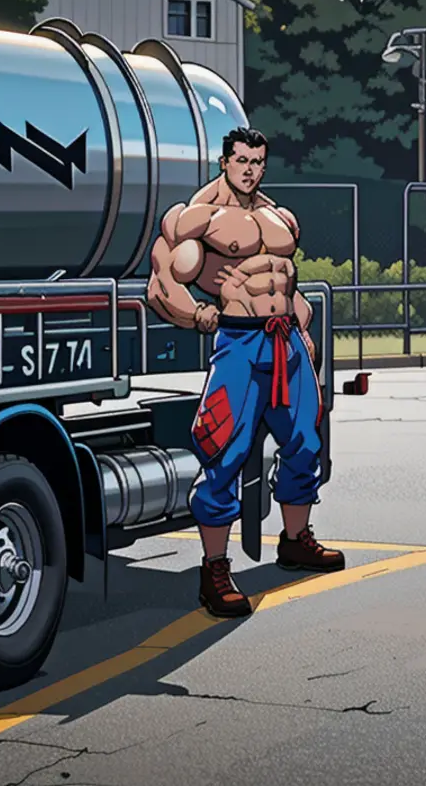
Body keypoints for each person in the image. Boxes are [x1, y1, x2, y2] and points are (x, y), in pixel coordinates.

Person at [146, 126, 345, 617]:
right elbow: (162, 281)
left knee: (306, 443)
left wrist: (303, 326)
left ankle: (296, 538)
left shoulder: (276, 215)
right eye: (241, 160)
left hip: (286, 343)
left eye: (257, 161)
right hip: (239, 343)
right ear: (224, 161)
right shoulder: (197, 216)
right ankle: (214, 570)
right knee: (224, 452)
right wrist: (195, 314)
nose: (250, 169)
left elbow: (284, 279)